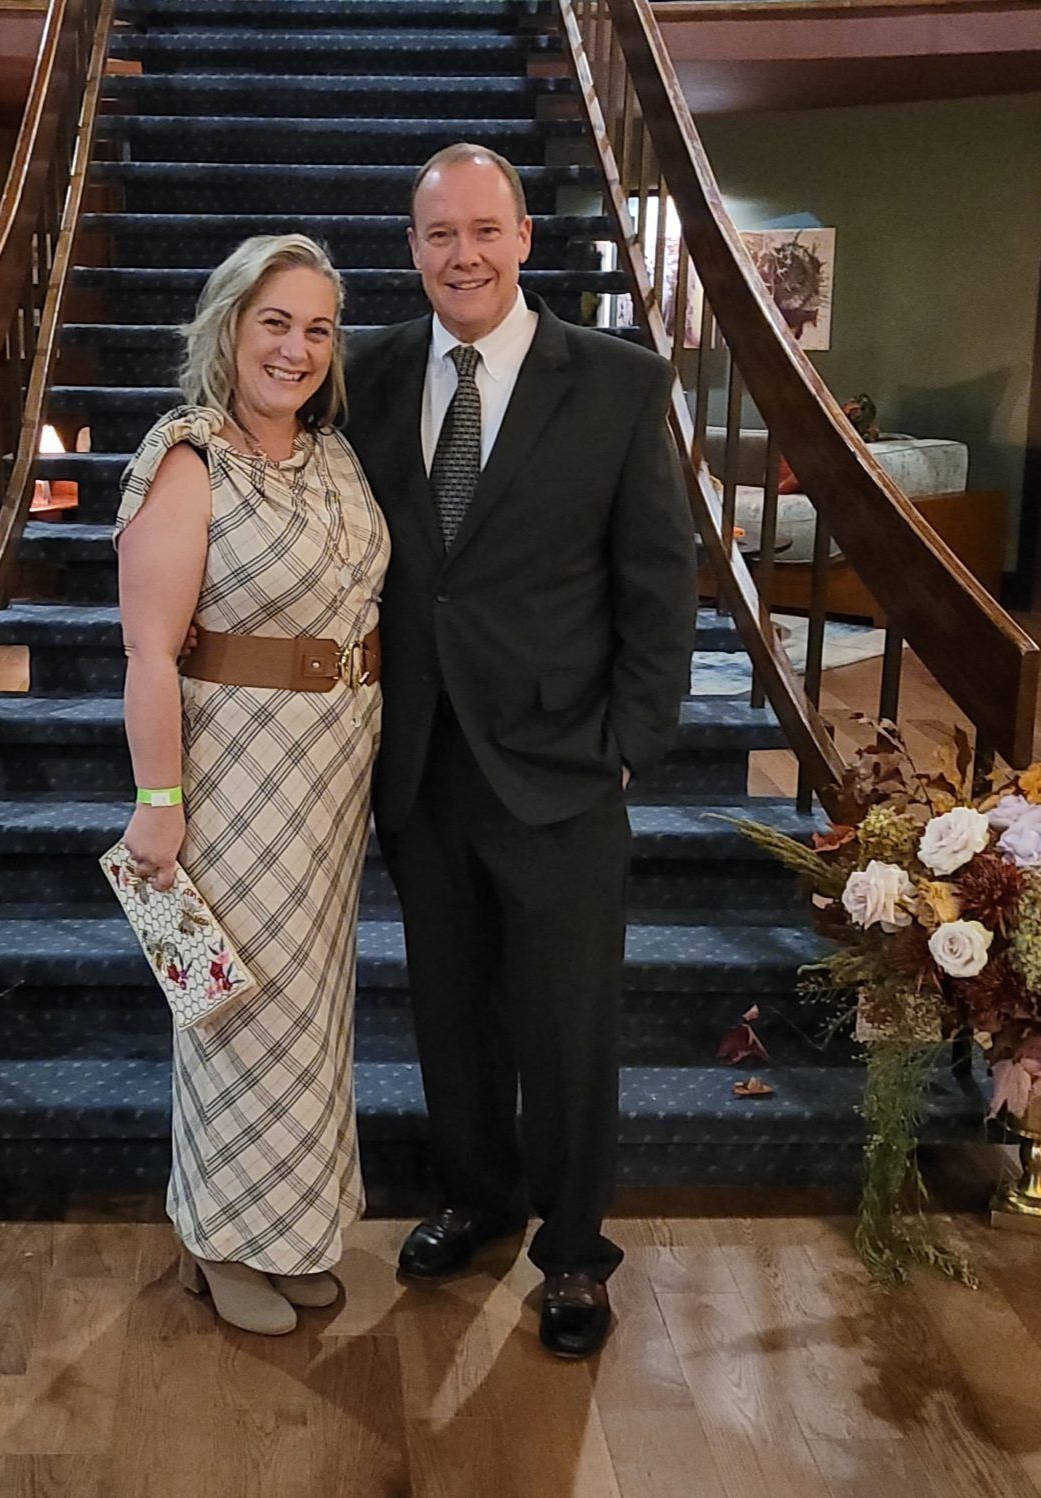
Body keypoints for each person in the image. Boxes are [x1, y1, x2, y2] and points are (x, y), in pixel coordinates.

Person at [344, 144, 696, 1359]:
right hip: (420, 760)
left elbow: (659, 583)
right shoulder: (368, 372)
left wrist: (630, 744)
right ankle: (479, 1200)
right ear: (412, 250)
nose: (464, 256)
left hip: (561, 761)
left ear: (525, 240)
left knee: (565, 1021)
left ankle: (573, 1253)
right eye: (439, 235)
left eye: (484, 231)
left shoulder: (615, 383)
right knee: (449, 1009)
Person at [114, 235, 390, 1337]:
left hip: (333, 771)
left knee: (311, 1013)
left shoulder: (330, 454)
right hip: (233, 769)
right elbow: (148, 652)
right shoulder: (187, 458)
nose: (296, 348)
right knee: (236, 1012)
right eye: (275, 321)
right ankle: (220, 1239)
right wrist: (159, 803)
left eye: (318, 327)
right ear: (227, 325)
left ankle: (290, 1232)